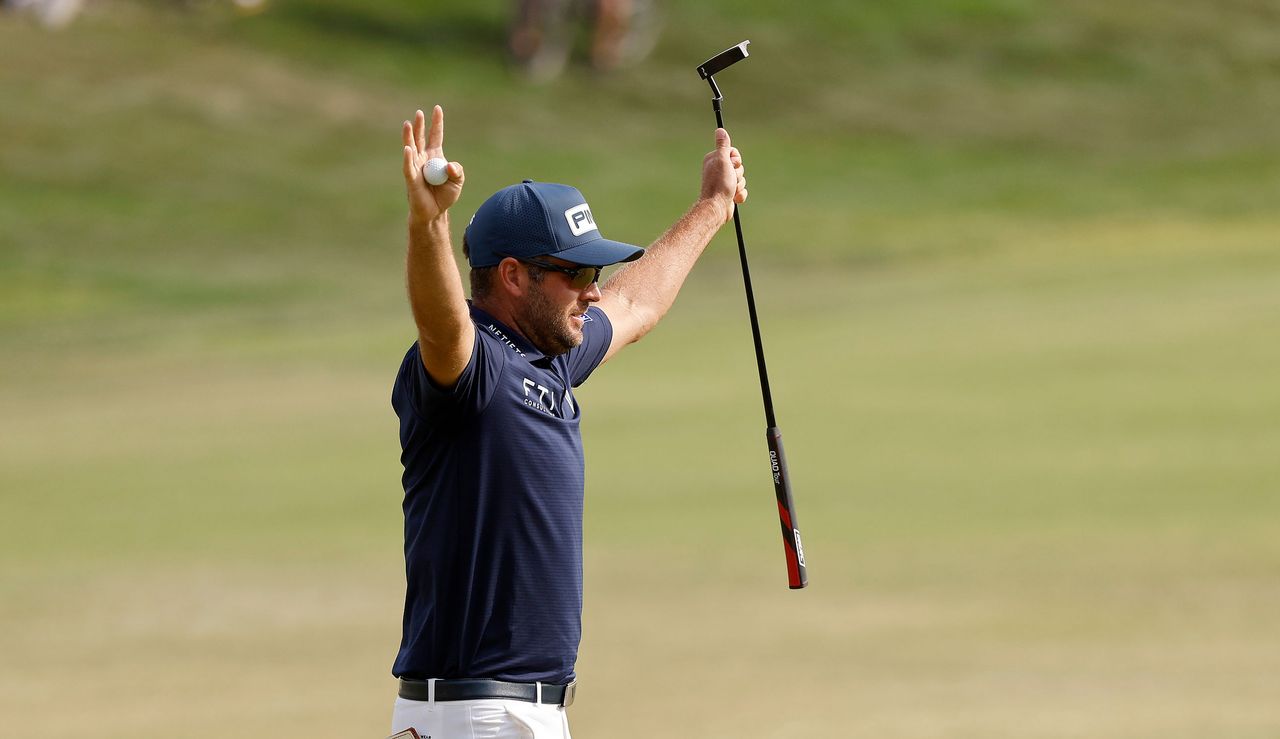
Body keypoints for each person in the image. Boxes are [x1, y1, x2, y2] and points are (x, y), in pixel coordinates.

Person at [388, 105, 747, 739]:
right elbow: (442, 326)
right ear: (513, 276)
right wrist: (429, 225)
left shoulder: (548, 358)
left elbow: (637, 301)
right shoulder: (474, 371)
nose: (593, 290)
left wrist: (713, 207)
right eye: (576, 273)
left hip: (515, 712)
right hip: (476, 715)